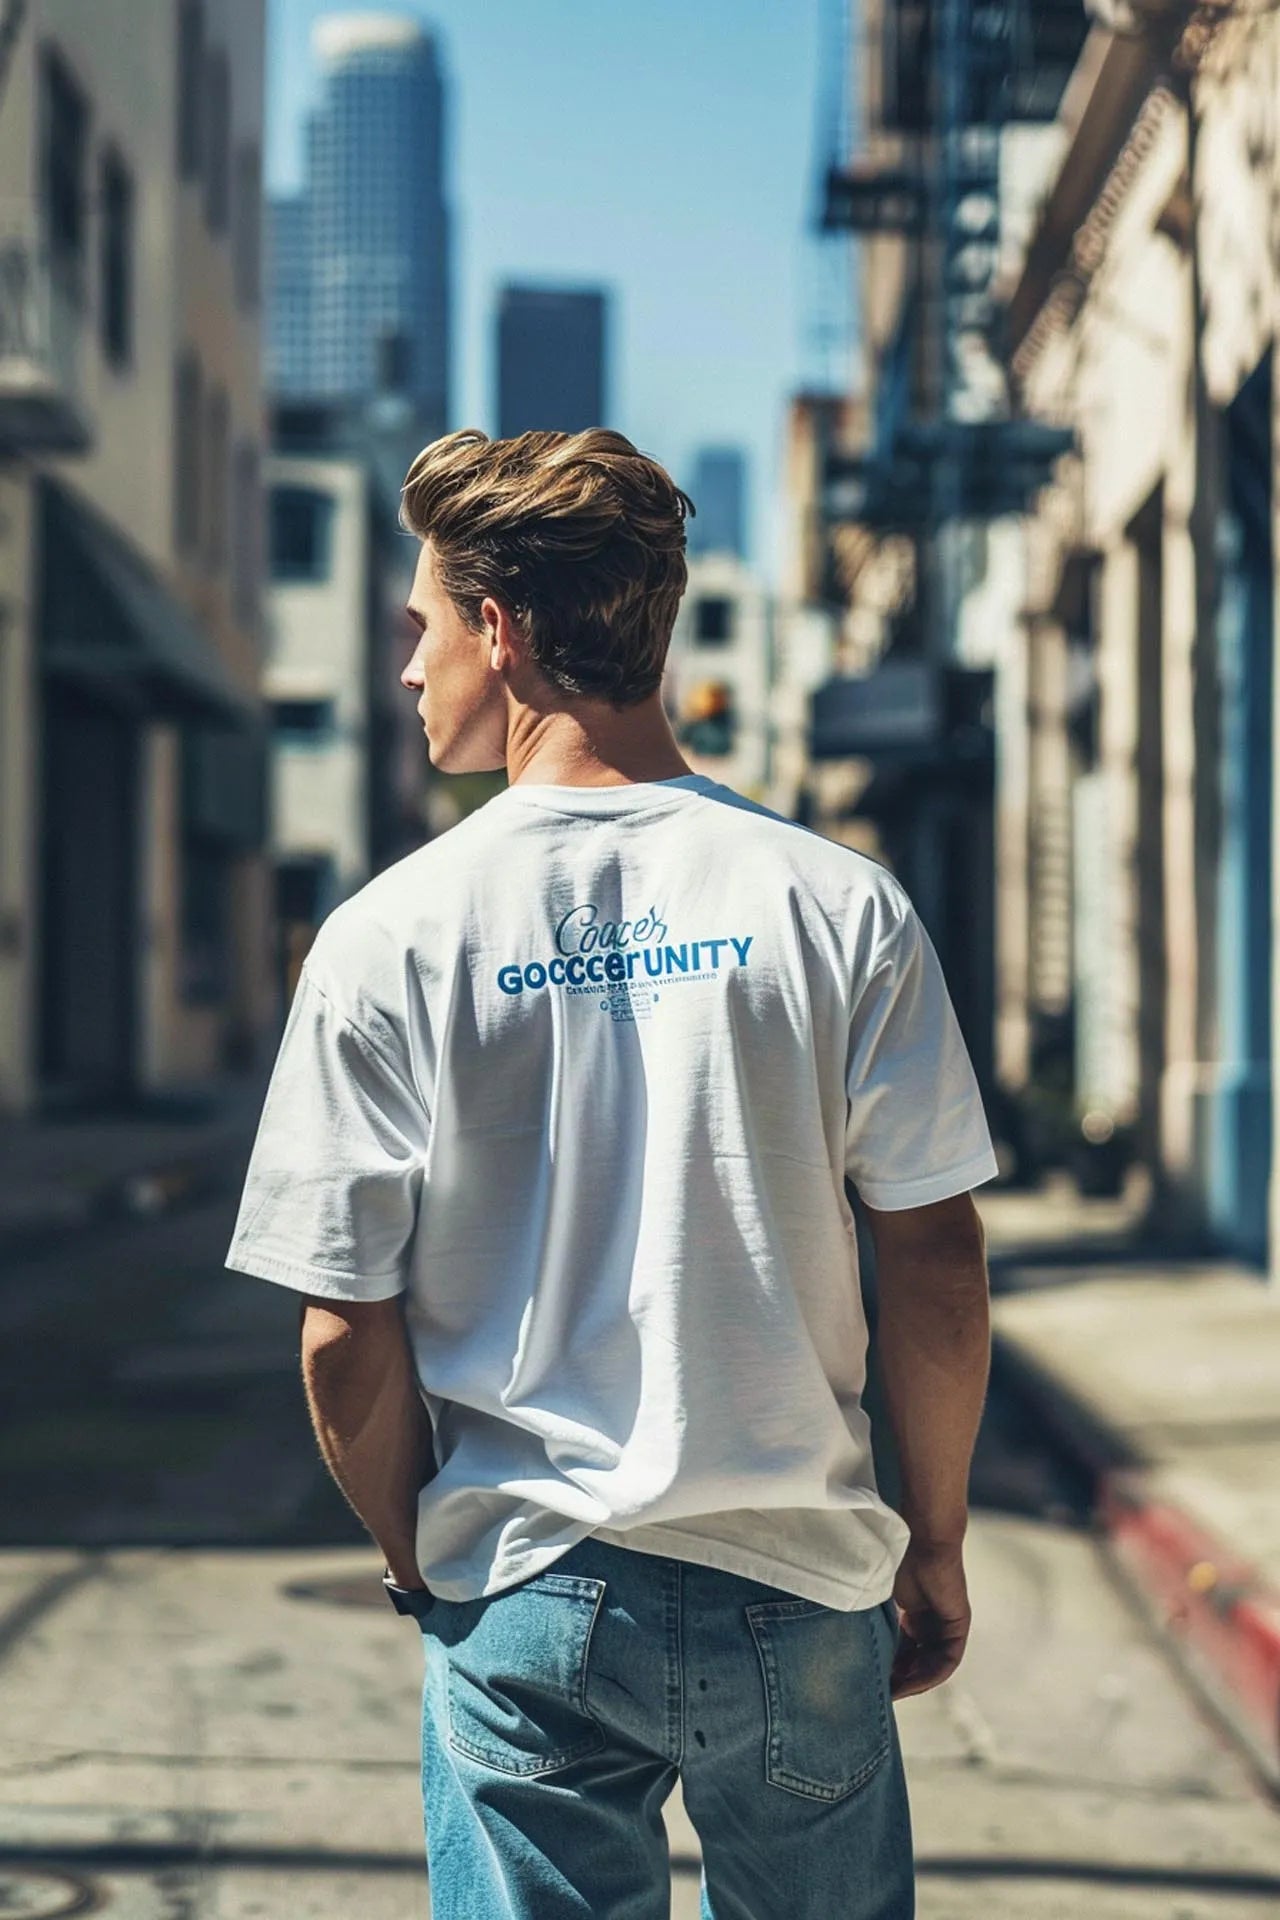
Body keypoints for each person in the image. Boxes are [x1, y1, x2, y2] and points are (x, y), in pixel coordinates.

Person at [225, 427, 997, 1920]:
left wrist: (419, 1564)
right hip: (801, 1574)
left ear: (500, 634)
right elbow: (938, 1261)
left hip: (527, 1588)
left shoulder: (389, 936)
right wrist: (940, 1539)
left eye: (422, 624)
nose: (408, 665)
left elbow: (342, 1334)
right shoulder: (838, 904)